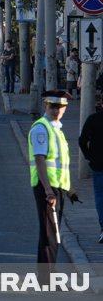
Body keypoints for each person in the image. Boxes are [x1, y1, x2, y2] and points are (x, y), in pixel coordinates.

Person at [28, 90, 81, 271]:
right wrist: (49, 191)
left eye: (60, 107)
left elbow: (61, 165)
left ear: (65, 109)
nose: (56, 110)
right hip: (46, 188)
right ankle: (45, 279)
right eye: (53, 106)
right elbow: (40, 159)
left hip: (56, 188)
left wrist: (70, 188)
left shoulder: (57, 129)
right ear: (45, 106)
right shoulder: (41, 128)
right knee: (50, 235)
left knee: (52, 234)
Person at [79, 100, 103, 244]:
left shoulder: (93, 119)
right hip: (98, 164)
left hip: (98, 165)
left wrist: (89, 157)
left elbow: (82, 141)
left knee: (100, 196)